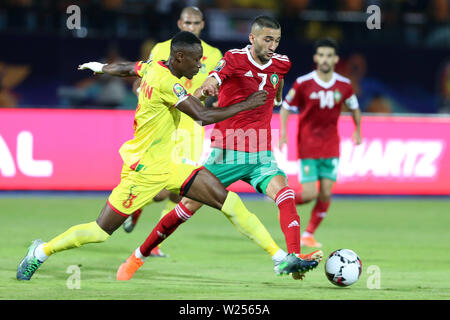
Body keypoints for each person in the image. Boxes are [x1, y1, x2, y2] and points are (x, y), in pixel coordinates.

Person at [16, 31, 318, 281]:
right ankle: (41, 252)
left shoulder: (154, 66)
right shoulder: (167, 82)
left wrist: (100, 68)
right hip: (144, 170)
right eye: (196, 61)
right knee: (99, 232)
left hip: (171, 164)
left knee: (230, 202)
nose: (200, 67)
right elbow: (201, 114)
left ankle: (281, 259)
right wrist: (246, 103)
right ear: (180, 58)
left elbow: (128, 68)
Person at [116, 16, 323, 281]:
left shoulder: (282, 64)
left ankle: (293, 257)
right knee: (185, 208)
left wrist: (277, 95)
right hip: (228, 150)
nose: (272, 45)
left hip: (261, 151)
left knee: (285, 195)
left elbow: (278, 86)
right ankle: (137, 257)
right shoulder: (234, 58)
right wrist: (209, 87)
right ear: (253, 38)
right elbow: (214, 78)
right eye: (267, 39)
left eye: (277, 40)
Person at [123, 8, 223, 257]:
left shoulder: (214, 54)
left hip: (192, 127)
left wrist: (217, 99)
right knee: (160, 191)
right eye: (187, 22)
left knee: (181, 191)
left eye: (196, 22)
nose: (191, 26)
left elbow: (216, 86)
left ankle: (155, 243)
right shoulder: (161, 48)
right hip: (166, 123)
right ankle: (134, 205)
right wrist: (139, 89)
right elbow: (145, 74)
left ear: (203, 24)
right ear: (180, 23)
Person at [279, 38, 362, 248]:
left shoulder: (344, 85)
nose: (325, 59)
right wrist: (283, 133)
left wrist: (358, 130)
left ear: (335, 59)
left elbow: (354, 107)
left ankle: (308, 234)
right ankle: (281, 200)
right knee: (309, 194)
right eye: (321, 55)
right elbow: (286, 106)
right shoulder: (303, 83)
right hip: (308, 145)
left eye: (329, 55)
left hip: (331, 146)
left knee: (326, 192)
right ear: (316, 58)